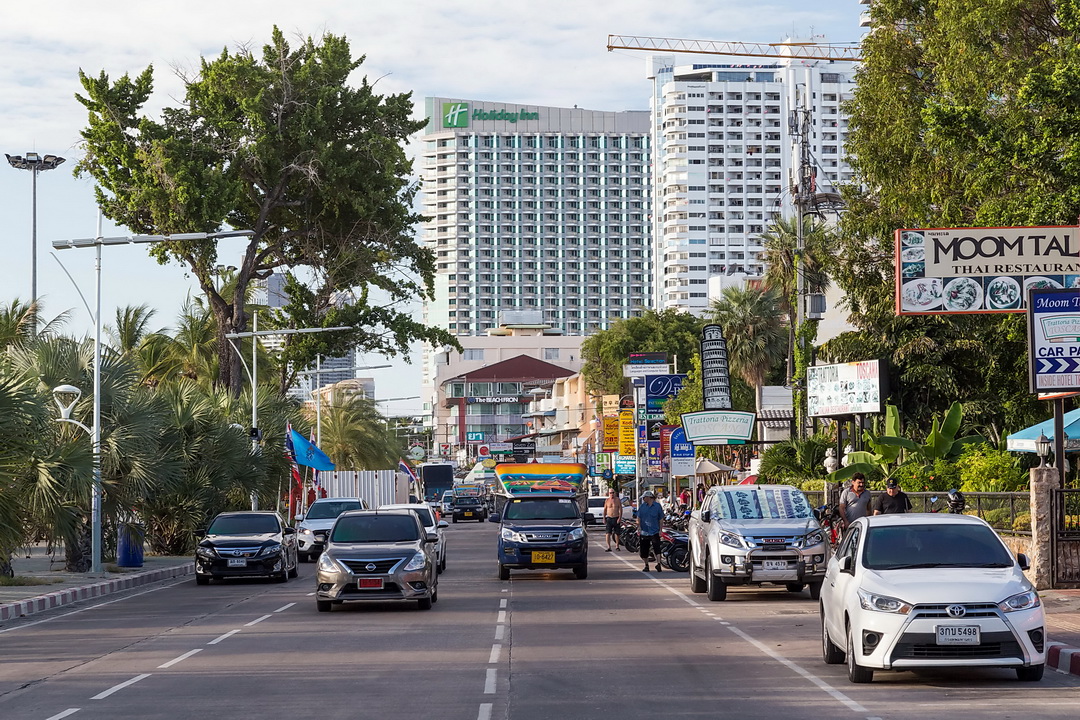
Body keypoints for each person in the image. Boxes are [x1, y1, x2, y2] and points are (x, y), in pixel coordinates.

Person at [637, 490, 665, 572]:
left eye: (644, 497)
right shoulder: (642, 507)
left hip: (654, 531)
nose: (643, 499)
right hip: (644, 531)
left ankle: (659, 564)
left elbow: (661, 519)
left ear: (649, 497)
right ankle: (646, 565)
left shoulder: (657, 506)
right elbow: (638, 517)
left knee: (657, 548)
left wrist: (660, 530)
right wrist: (638, 527)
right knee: (644, 550)